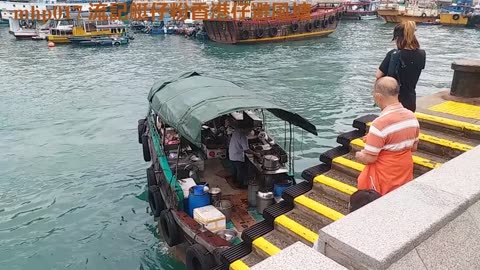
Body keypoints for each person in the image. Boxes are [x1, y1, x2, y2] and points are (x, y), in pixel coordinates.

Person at [355, 77, 420, 196]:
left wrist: (358, 155)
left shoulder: (379, 124)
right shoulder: (411, 116)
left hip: (385, 175)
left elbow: (369, 158)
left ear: (379, 96)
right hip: (404, 170)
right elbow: (414, 147)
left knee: (380, 199)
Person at [376, 21, 426, 112]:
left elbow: (378, 75)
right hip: (410, 101)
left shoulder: (393, 55)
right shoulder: (422, 54)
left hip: (392, 103)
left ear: (398, 38)